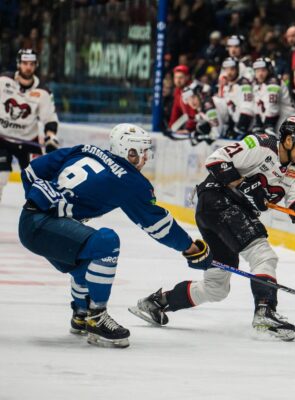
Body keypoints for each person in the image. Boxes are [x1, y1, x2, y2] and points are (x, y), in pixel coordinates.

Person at [130, 117, 295, 342]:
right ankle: (265, 312)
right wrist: (244, 184)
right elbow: (216, 160)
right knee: (263, 255)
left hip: (226, 213)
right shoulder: (261, 145)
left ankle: (157, 303)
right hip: (217, 200)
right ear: (289, 140)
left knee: (216, 288)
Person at [17, 124, 212, 348]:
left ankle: (81, 313)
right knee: (106, 242)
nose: (146, 157)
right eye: (143, 151)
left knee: (86, 265)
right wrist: (189, 248)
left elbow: (31, 171)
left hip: (32, 219)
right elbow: (158, 225)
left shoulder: (85, 149)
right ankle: (97, 317)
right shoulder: (130, 181)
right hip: (42, 225)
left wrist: (41, 202)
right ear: (129, 151)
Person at [0, 49, 58, 203]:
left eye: (31, 64)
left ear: (36, 65)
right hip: (2, 137)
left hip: (28, 140)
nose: (28, 67)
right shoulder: (3, 81)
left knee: (38, 178)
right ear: (19, 64)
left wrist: (51, 137)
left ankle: (37, 206)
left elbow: (49, 117)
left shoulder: (43, 91)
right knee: (1, 174)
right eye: (25, 63)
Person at [252, 57, 295, 132]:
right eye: (257, 71)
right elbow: (258, 106)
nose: (260, 74)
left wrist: (267, 126)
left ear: (269, 70)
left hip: (289, 123)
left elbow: (272, 108)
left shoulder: (274, 82)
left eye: (263, 70)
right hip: (278, 122)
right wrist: (258, 124)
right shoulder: (257, 84)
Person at [220, 57, 255, 139]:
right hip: (237, 124)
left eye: (232, 69)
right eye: (226, 69)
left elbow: (248, 109)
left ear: (238, 69)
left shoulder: (244, 84)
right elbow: (231, 110)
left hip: (249, 129)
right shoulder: (227, 87)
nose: (229, 72)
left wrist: (239, 129)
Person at [168, 64, 193, 131]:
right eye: (175, 78)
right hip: (188, 124)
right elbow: (175, 111)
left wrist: (188, 129)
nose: (178, 81)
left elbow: (192, 113)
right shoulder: (177, 91)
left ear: (187, 77)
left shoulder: (191, 90)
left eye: (181, 78)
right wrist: (171, 127)